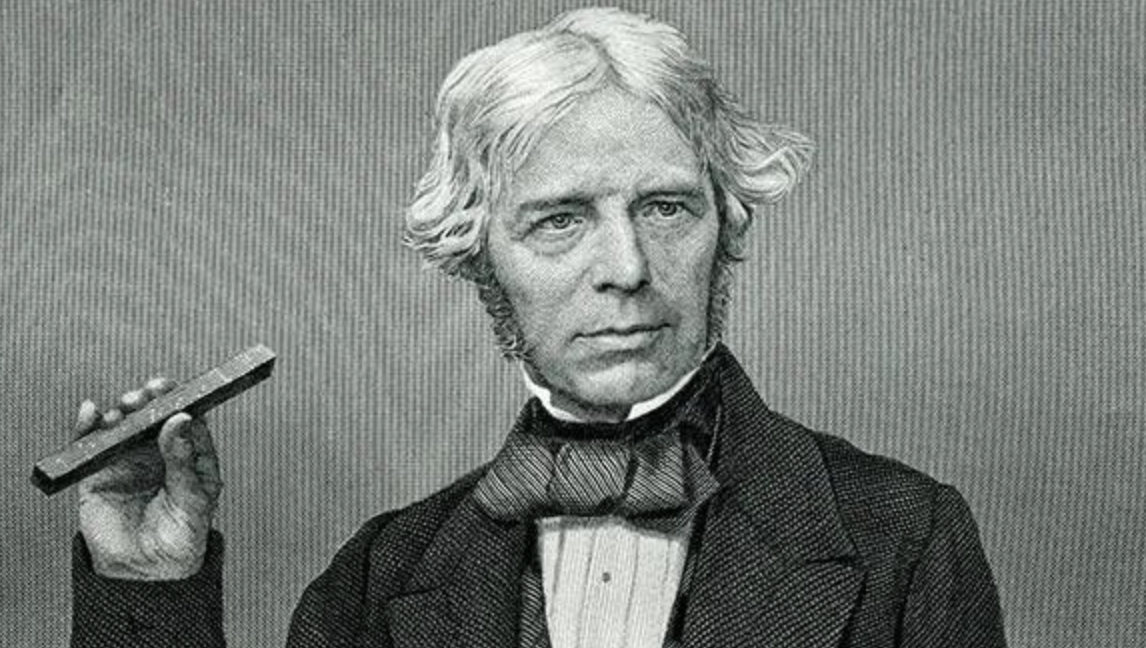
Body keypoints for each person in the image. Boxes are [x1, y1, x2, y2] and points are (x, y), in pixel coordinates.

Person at [69, 7, 1006, 647]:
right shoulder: (383, 579)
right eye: (559, 221)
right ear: (480, 259)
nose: (628, 268)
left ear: (731, 225)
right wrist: (148, 586)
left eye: (668, 209)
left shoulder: (904, 537)